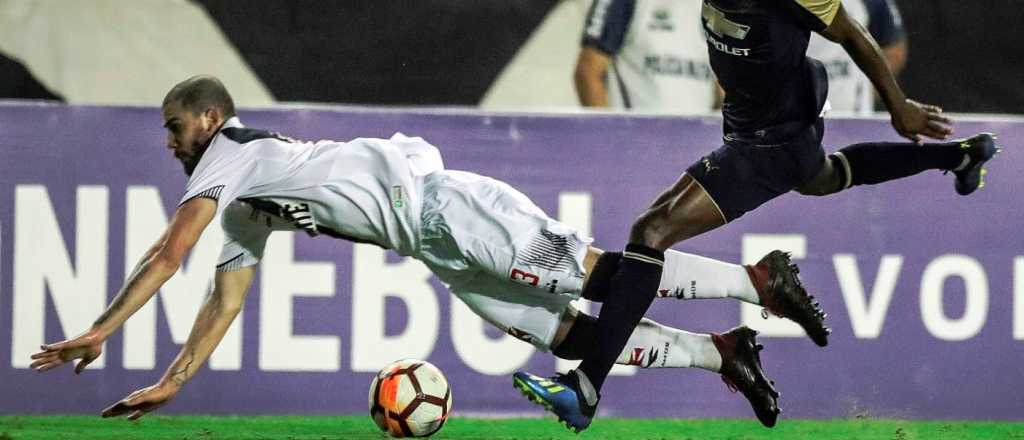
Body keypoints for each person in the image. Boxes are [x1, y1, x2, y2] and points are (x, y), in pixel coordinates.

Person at [32, 75, 815, 425]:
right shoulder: (247, 201)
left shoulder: (228, 152)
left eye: (173, 129)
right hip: (437, 252)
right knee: (565, 333)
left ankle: (756, 278)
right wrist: (174, 380)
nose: (170, 145)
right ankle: (726, 356)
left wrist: (101, 329)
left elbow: (169, 256)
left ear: (205, 119)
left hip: (450, 211)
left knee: (604, 278)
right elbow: (221, 298)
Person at [515, 0, 1001, 432]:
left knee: (652, 231)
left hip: (771, 141)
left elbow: (852, 31)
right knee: (825, 177)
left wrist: (899, 107)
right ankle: (959, 156)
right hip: (756, 125)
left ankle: (585, 387)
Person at [575, 0, 716, 113]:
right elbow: (588, 73)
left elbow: (723, 87)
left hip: (698, 141)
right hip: (636, 142)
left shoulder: (716, 8)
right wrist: (609, 139)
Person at [806, 0, 906, 114]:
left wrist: (867, 93)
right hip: (797, 116)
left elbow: (893, 51)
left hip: (854, 117)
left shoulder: (870, 4)